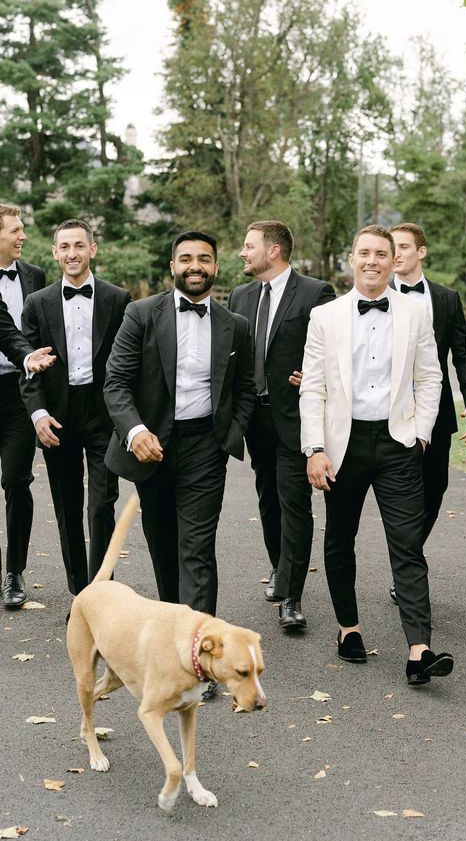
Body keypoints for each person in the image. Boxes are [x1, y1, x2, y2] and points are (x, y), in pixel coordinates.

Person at [300, 224, 454, 687]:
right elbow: (312, 387)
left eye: (381, 254)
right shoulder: (324, 316)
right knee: (340, 538)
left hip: (397, 444)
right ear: (351, 259)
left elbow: (431, 378)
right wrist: (315, 448)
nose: (372, 261)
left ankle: (419, 649)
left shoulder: (415, 312)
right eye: (364, 253)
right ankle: (349, 629)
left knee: (407, 544)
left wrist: (422, 433)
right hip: (341, 445)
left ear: (393, 261)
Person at [104, 231, 256, 695]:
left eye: (204, 259)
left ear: (215, 266)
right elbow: (116, 381)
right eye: (186, 258)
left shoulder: (235, 324)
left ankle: (201, 658)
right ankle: (176, 638)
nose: (196, 265)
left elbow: (247, 388)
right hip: (151, 445)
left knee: (197, 548)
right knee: (164, 546)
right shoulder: (141, 314)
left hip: (205, 446)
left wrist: (229, 435)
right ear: (173, 266)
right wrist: (136, 432)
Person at [228, 220, 335, 631]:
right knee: (267, 498)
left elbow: (332, 347)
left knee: (295, 502)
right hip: (254, 418)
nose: (243, 252)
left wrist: (313, 374)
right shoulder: (240, 295)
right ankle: (279, 567)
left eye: (248, 245)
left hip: (294, 415)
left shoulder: (314, 293)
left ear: (273, 251)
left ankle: (292, 596)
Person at [20, 219, 130, 599]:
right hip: (57, 415)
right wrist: (37, 415)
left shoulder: (119, 299)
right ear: (54, 253)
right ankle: (80, 596)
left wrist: (128, 419)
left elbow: (129, 365)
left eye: (79, 246)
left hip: (104, 415)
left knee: (101, 507)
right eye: (64, 247)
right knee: (67, 509)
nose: (72, 254)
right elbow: (29, 368)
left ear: (92, 249)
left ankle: (101, 594)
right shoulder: (38, 304)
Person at [389, 222, 466, 603]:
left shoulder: (446, 298)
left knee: (434, 489)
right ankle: (407, 569)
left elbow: (463, 355)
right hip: (387, 412)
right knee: (398, 493)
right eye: (392, 247)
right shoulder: (374, 295)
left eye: (404, 247)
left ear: (421, 252)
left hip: (435, 411)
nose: (396, 254)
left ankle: (408, 553)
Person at [0, 203, 46, 609]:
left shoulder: (34, 276)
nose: (23, 236)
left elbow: (34, 334)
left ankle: (14, 572)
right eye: (15, 229)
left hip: (18, 392)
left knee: (16, 480)